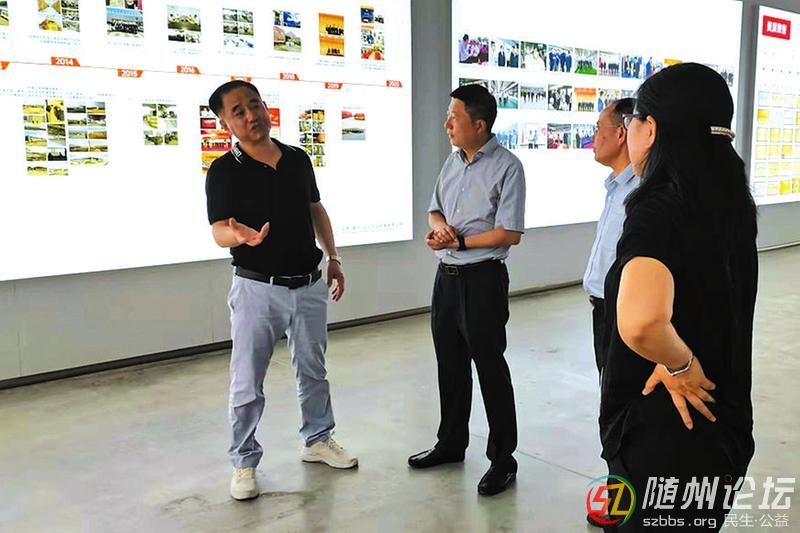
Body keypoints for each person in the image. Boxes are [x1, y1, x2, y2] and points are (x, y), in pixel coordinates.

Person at [600, 63, 757, 531]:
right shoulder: (731, 202)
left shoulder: (659, 207)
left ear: (650, 130)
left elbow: (642, 321)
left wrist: (679, 363)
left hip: (666, 435)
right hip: (722, 428)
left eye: (632, 123)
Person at [205, 80, 357, 502]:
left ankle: (317, 439)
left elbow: (315, 209)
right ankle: (244, 461)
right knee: (247, 381)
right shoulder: (224, 171)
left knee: (313, 370)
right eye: (238, 111)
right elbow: (218, 230)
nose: (250, 115)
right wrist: (238, 236)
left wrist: (334, 257)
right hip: (257, 289)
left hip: (307, 285)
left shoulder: (296, 158)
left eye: (254, 104)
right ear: (226, 123)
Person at [408, 84, 526, 497]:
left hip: (483, 279)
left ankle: (502, 459)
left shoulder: (508, 167)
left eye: (453, 118)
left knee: (490, 368)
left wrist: (459, 242)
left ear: (479, 125)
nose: (447, 125)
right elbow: (434, 209)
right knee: (450, 364)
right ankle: (451, 443)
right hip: (447, 278)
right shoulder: (453, 161)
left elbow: (509, 232)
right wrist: (440, 229)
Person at [582, 98, 639, 528]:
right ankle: (619, 491)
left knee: (621, 408)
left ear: (621, 133)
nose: (593, 136)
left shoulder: (639, 191)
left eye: (599, 128)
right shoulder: (617, 186)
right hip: (603, 309)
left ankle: (624, 502)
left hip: (622, 313)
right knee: (612, 402)